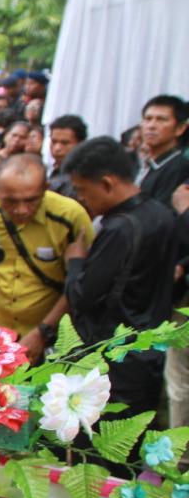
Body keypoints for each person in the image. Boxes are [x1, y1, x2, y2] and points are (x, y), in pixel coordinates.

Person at [65, 137, 176, 457]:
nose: (81, 198)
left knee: (99, 454)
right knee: (129, 446)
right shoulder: (161, 213)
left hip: (113, 359)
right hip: (147, 353)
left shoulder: (120, 229)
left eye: (83, 190)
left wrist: (75, 263)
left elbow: (85, 296)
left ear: (107, 183)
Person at [0, 154, 93, 363]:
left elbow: (80, 285)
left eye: (31, 200)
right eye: (10, 201)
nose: (21, 210)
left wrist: (42, 332)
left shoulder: (70, 216)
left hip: (55, 334)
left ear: (46, 188)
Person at [135, 95, 189, 205]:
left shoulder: (179, 167)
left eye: (161, 119)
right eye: (148, 119)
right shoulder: (135, 161)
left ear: (180, 128)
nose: (151, 126)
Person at [46, 114, 87, 197]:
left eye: (65, 143)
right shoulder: (50, 170)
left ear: (80, 144)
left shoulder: (83, 179)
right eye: (54, 142)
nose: (57, 148)